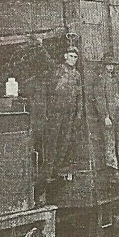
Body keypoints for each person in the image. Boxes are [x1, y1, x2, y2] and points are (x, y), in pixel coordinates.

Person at [43, 46, 83, 180]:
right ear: (65, 56)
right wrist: (48, 111)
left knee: (65, 142)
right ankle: (47, 172)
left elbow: (79, 96)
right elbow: (49, 92)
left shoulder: (77, 75)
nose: (73, 59)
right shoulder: (58, 71)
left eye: (75, 57)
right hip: (56, 113)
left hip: (69, 113)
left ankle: (56, 169)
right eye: (71, 56)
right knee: (52, 142)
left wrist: (79, 113)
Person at [93, 52, 119, 180]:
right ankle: (113, 170)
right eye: (108, 65)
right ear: (104, 66)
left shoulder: (115, 80)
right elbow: (100, 99)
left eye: (112, 65)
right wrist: (105, 116)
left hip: (118, 114)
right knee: (110, 142)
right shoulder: (100, 80)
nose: (110, 67)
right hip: (108, 116)